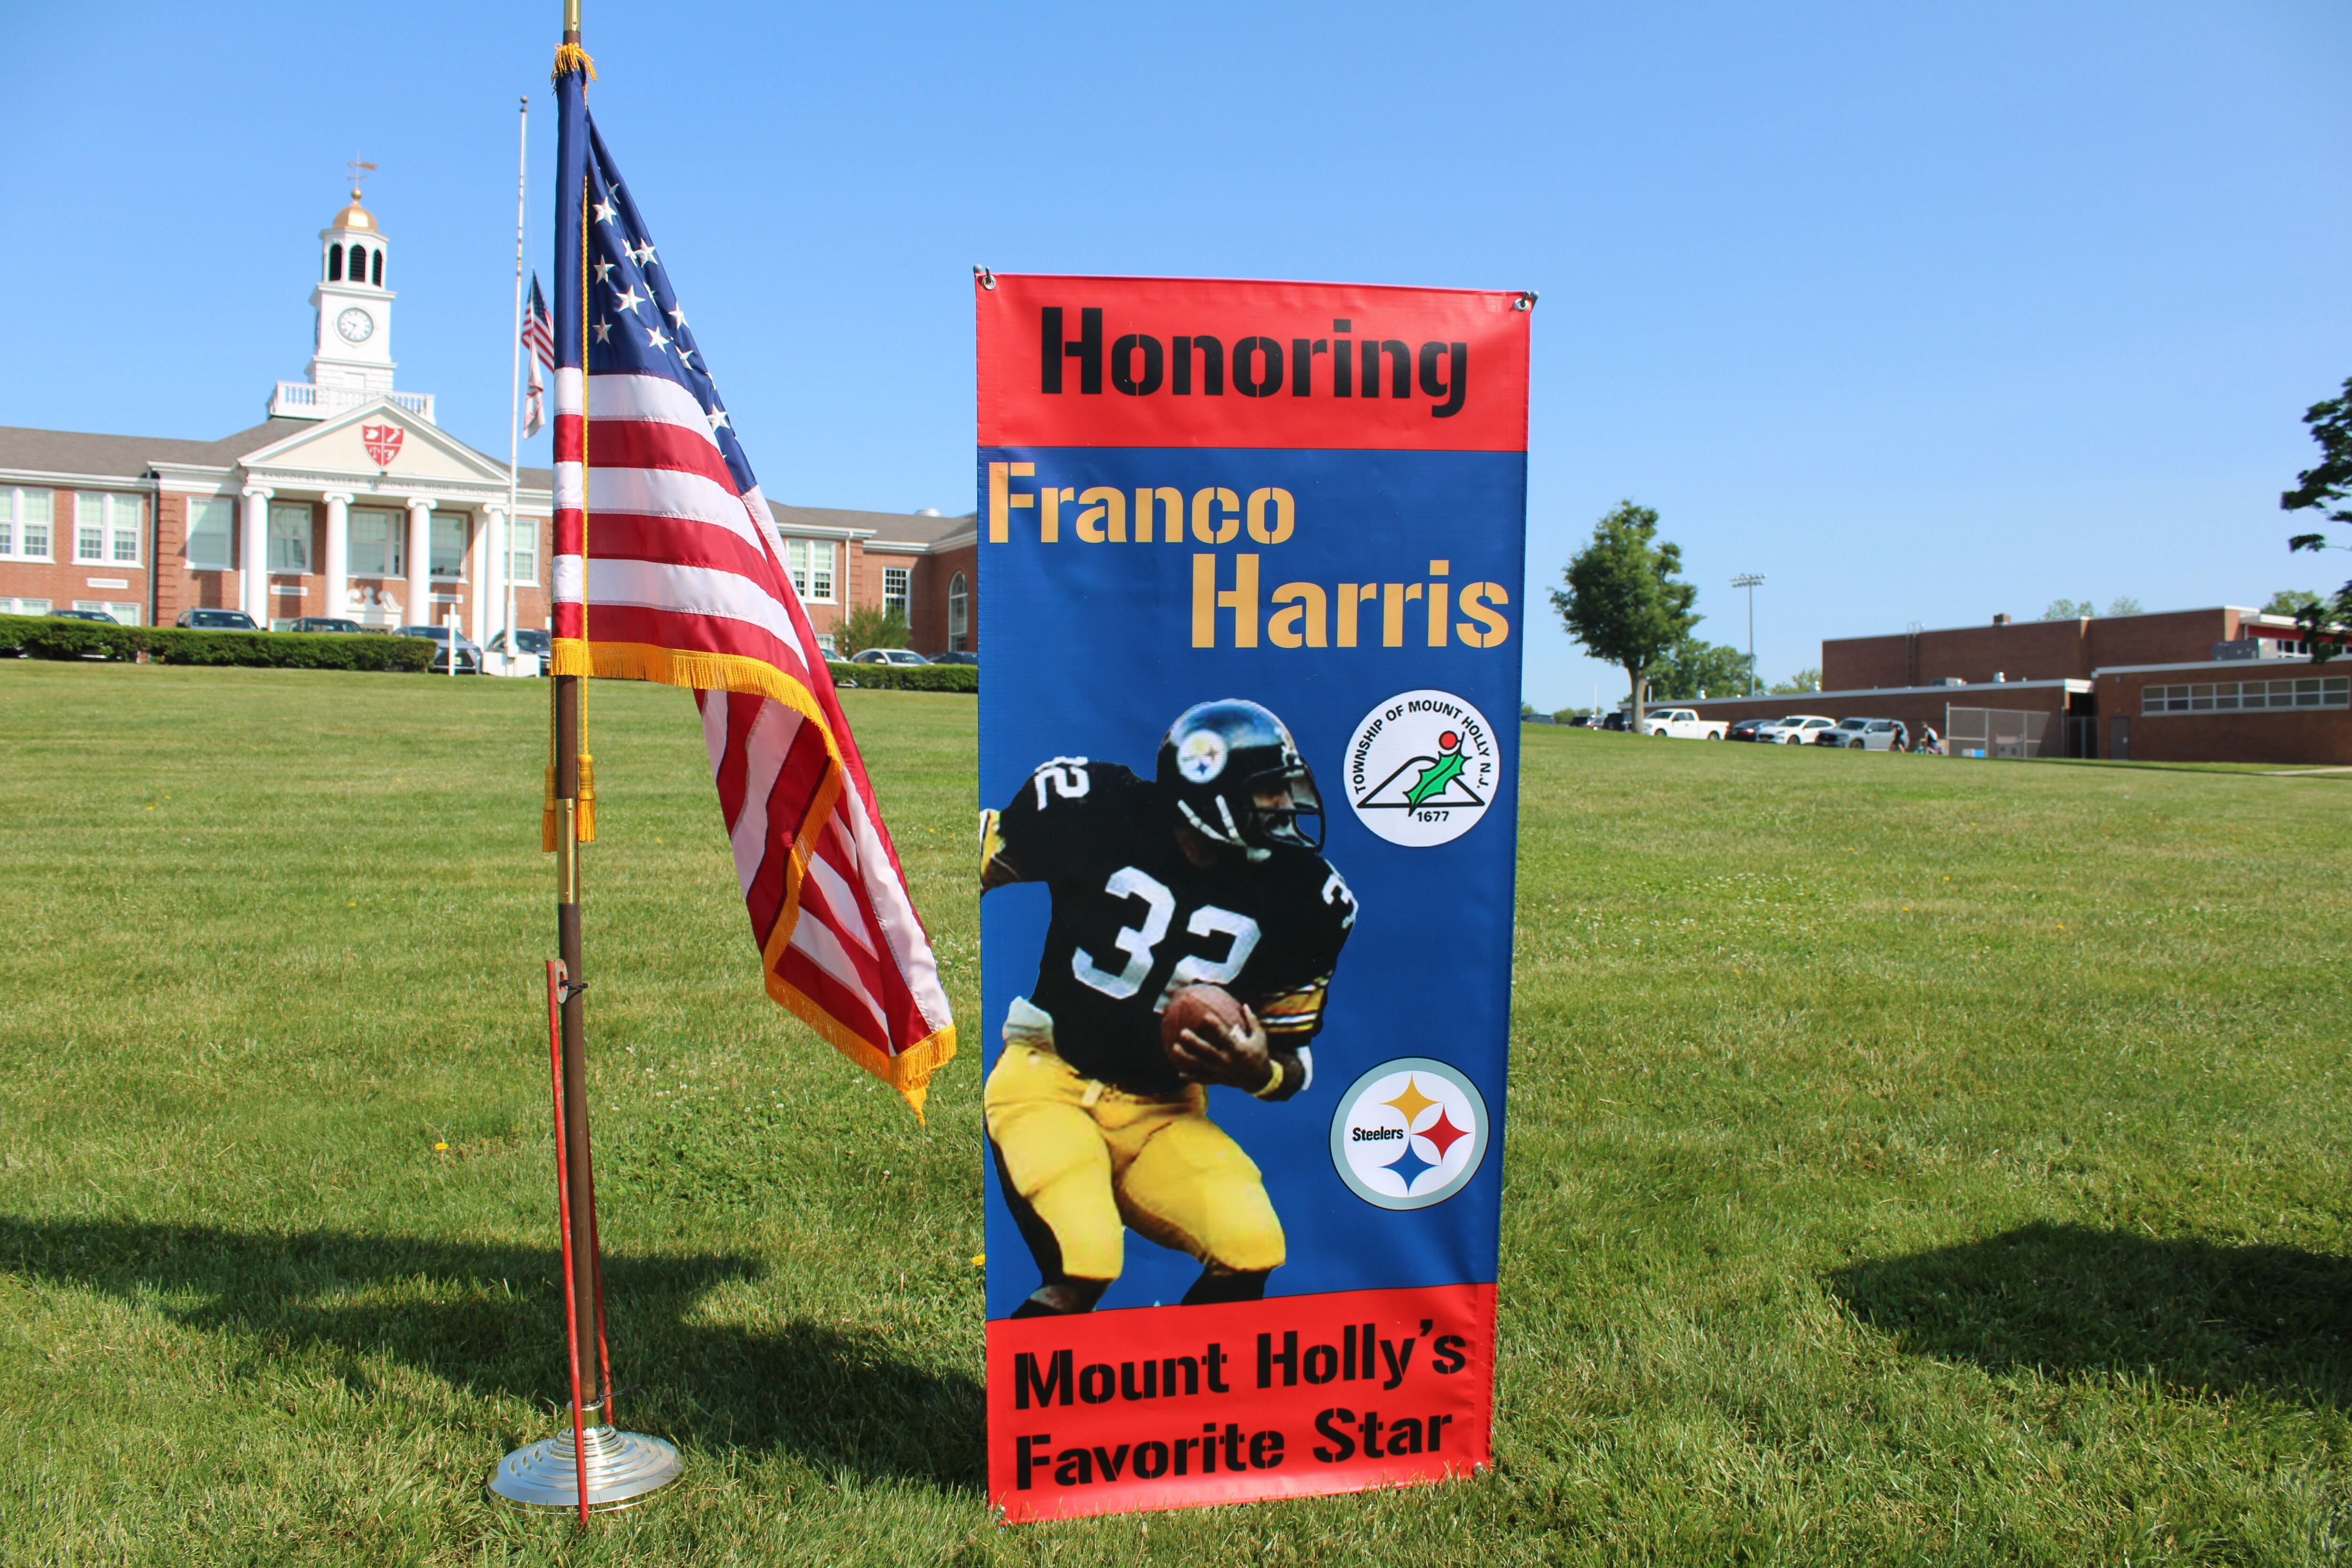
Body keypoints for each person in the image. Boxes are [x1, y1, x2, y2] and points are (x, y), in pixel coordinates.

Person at [980, 699, 1357, 1315]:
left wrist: (1257, 1068)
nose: (1285, 805)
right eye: (1266, 792)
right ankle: (1038, 1407)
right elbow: (978, 862)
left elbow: (1292, 1064)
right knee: (1085, 1260)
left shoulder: (1305, 894)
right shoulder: (1095, 808)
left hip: (1164, 1108)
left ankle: (1182, 1396)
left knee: (1251, 1242)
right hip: (1048, 1078)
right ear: (1206, 789)